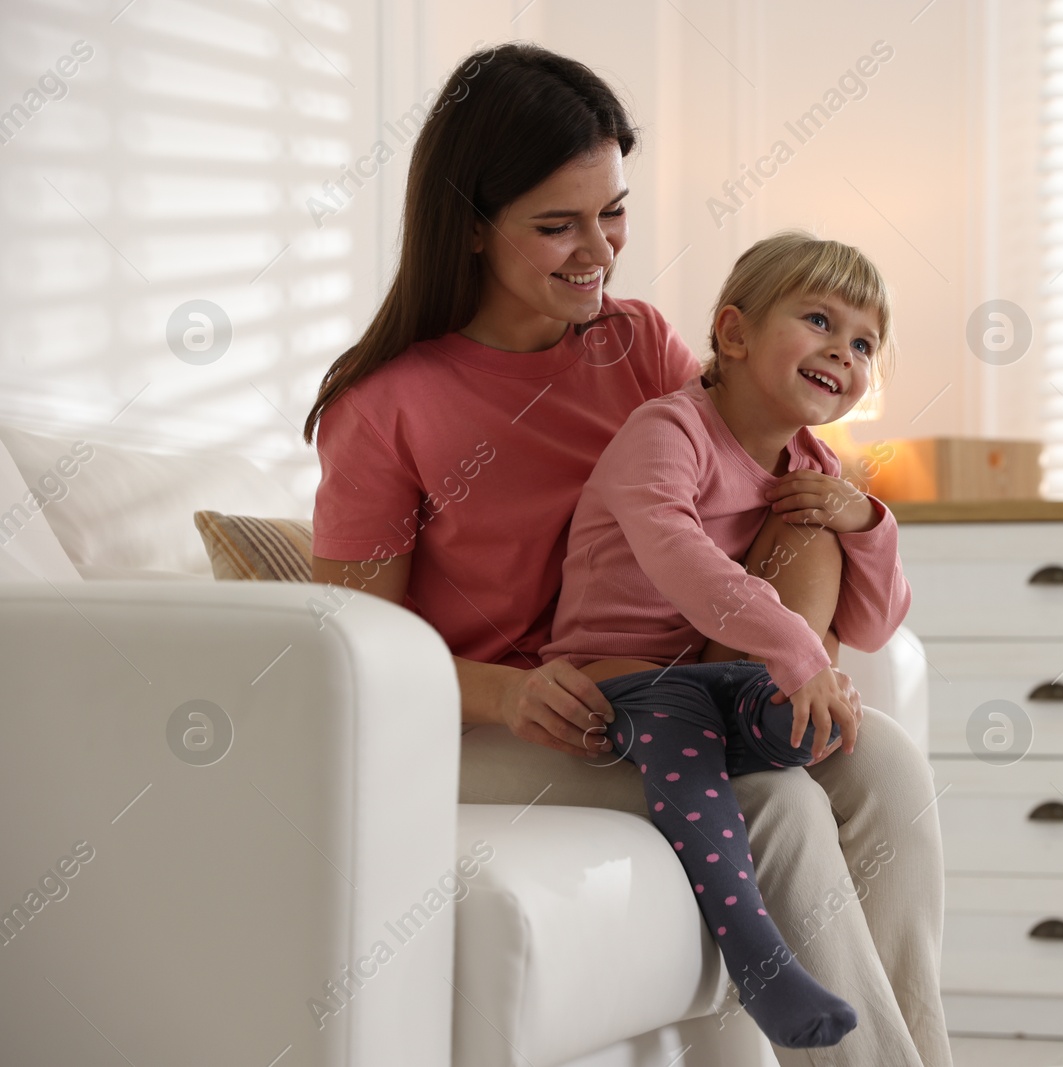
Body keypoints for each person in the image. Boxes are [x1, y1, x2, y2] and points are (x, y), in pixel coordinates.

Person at [304, 42, 952, 1067]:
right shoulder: (382, 408)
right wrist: (509, 695)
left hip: (671, 693)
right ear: (470, 227)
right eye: (556, 226)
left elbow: (774, 494)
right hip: (508, 725)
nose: (597, 251)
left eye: (612, 212)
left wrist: (825, 586)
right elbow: (350, 654)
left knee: (886, 764)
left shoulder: (636, 342)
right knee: (776, 801)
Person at [540, 231, 908, 1048]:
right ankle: (759, 957)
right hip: (624, 677)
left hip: (724, 680)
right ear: (735, 335)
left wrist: (865, 518)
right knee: (684, 726)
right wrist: (799, 655)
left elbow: (877, 622)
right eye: (819, 320)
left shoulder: (814, 463)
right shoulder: (668, 431)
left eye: (862, 343)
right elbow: (679, 555)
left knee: (869, 752)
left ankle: (776, 726)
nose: (842, 352)